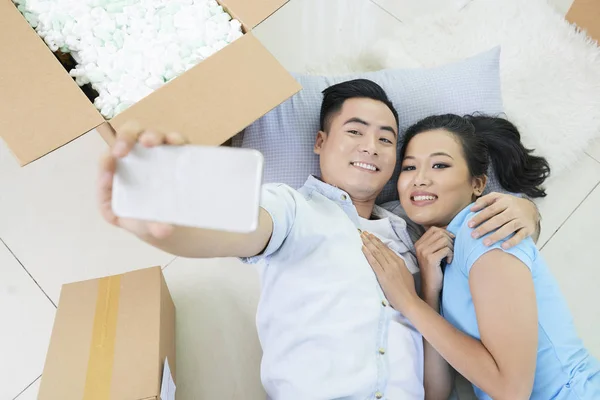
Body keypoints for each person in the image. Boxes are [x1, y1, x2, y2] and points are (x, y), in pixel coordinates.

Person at [98, 81, 541, 399]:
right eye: (355, 131)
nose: (371, 146)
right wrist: (166, 221)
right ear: (320, 142)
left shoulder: (413, 237)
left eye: (386, 139)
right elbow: (237, 227)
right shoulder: (293, 208)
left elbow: (435, 388)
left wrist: (526, 211)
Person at [361, 114, 600, 400]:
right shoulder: (444, 255)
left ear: (478, 184)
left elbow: (511, 391)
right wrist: (429, 291)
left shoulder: (486, 233)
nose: (420, 179)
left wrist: (409, 303)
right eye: (410, 166)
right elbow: (436, 392)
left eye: (439, 165)